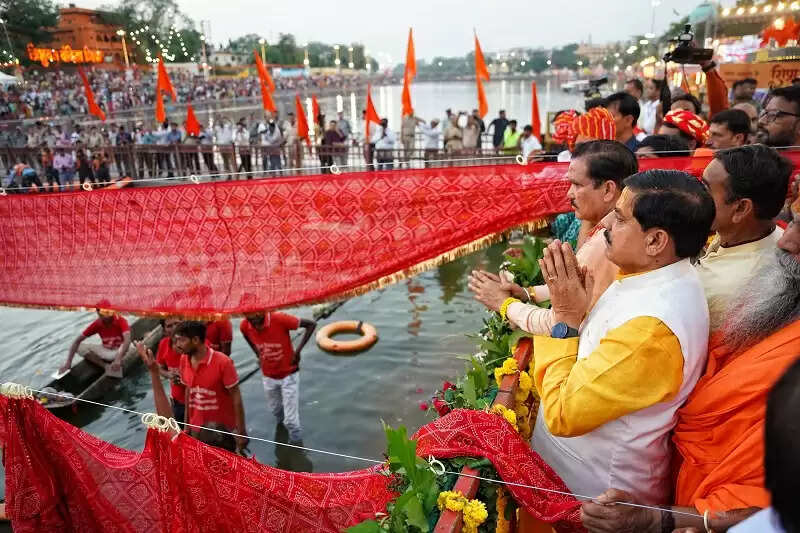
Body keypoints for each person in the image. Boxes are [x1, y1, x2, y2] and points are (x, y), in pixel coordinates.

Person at [581, 210, 800, 531]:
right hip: (676, 480)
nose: (788, 241)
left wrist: (659, 519)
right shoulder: (776, 299)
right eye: (794, 221)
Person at [530, 169, 715, 506]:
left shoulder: (652, 328)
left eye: (619, 218)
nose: (606, 227)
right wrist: (579, 311)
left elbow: (561, 413)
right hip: (577, 474)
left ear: (655, 241)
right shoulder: (650, 275)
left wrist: (565, 320)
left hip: (595, 495)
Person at [469, 140, 637, 335]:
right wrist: (526, 293)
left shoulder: (605, 243)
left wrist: (505, 304)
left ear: (608, 189)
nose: (569, 194)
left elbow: (557, 324)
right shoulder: (610, 229)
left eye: (576, 185)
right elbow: (579, 292)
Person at [698, 145, 790, 329]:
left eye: (705, 189)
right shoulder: (767, 235)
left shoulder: (718, 290)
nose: (695, 196)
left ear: (740, 208)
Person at [240, 312, 316, 444]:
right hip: (268, 376)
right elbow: (246, 335)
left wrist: (297, 352)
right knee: (276, 411)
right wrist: (257, 354)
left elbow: (311, 324)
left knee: (291, 421)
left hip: (289, 375)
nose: (254, 319)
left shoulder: (280, 319)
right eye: (249, 316)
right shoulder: (244, 325)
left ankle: (296, 446)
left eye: (256, 314)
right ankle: (282, 434)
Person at [176, 321, 247, 453]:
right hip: (197, 427)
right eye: (177, 340)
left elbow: (236, 398)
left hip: (223, 431)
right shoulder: (184, 360)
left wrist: (241, 432)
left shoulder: (223, 362)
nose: (178, 345)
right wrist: (186, 426)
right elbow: (188, 392)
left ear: (196, 340)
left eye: (182, 340)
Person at [60, 302, 131, 378]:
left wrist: (118, 359)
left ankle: (114, 365)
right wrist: (68, 363)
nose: (103, 315)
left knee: (126, 343)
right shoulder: (97, 324)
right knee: (79, 346)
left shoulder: (120, 320)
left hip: (122, 351)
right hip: (107, 352)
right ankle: (106, 367)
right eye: (100, 312)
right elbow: (76, 342)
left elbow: (127, 340)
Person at [148, 317, 186, 422]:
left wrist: (185, 380)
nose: (174, 328)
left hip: (199, 401)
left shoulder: (194, 343)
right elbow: (159, 368)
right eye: (169, 326)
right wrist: (169, 375)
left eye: (177, 323)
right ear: (164, 330)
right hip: (178, 401)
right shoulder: (164, 344)